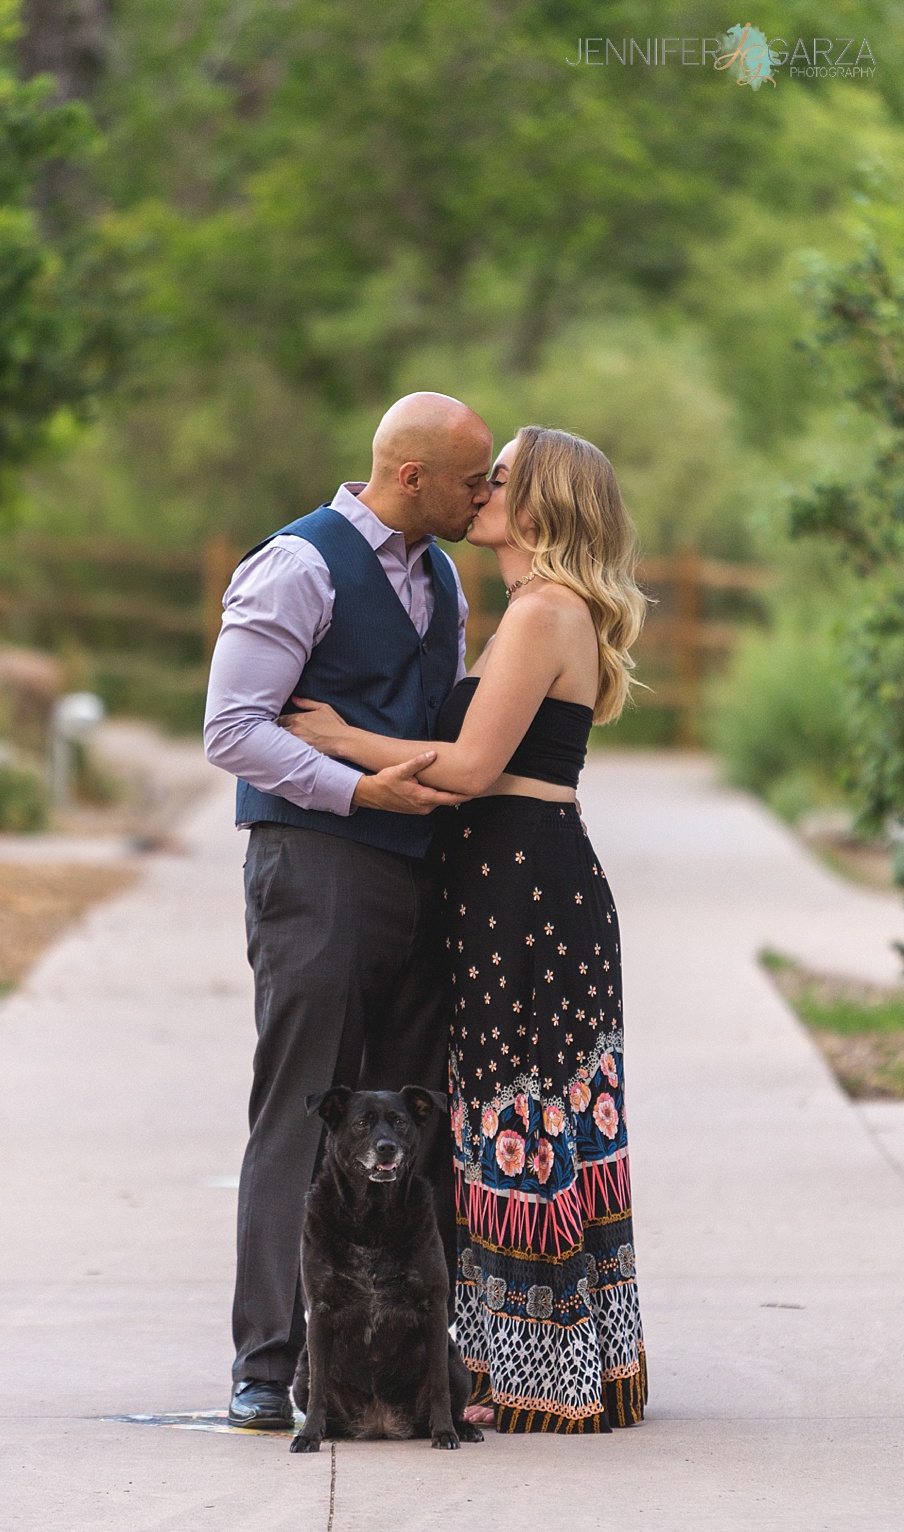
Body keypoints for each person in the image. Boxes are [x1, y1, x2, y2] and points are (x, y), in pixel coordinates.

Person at [278, 424, 649, 1432]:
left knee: (519, 1112)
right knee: (505, 1110)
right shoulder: (523, 607)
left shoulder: (541, 610)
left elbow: (473, 767)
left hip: (525, 886)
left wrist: (336, 741)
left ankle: (540, 1371)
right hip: (509, 880)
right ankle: (523, 1358)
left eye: (502, 475)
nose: (481, 487)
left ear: (540, 504)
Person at [203, 392, 492, 1433]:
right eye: (471, 478)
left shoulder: (441, 573)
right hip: (315, 864)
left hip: (421, 875)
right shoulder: (298, 564)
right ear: (410, 475)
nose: (483, 494)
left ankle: (409, 1369)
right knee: (303, 1109)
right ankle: (263, 1360)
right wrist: (356, 788)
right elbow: (230, 727)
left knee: (408, 1116)